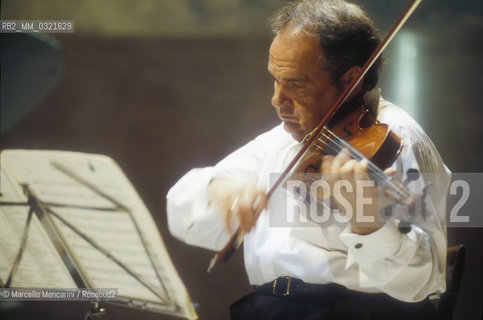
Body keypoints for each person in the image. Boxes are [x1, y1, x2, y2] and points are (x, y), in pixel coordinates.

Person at [167, 0, 451, 319]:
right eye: (276, 80)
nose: (277, 100)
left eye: (296, 84)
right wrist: (222, 191)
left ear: (350, 80)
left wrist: (369, 223)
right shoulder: (289, 137)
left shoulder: (399, 141)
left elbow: (423, 281)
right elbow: (184, 209)